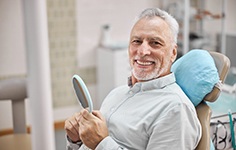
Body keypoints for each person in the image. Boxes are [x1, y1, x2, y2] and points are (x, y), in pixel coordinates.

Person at [64, 8, 202, 150]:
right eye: (137, 41)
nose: (142, 51)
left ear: (173, 53)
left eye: (155, 43)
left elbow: (99, 144)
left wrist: (101, 144)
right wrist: (76, 141)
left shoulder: (175, 109)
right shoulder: (116, 94)